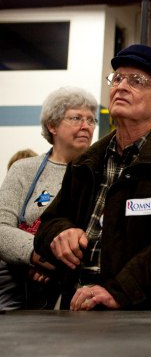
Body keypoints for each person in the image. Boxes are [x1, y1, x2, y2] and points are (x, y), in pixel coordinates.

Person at [34, 44, 151, 310]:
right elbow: (48, 222)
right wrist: (60, 232)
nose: (121, 86)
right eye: (118, 78)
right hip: (76, 306)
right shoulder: (86, 162)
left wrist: (121, 290)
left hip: (147, 311)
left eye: (136, 81)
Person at [0, 87, 98, 310]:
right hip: (18, 288)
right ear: (52, 126)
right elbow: (1, 228)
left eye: (91, 120)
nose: (86, 126)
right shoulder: (24, 169)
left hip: (77, 289)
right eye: (76, 118)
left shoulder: (97, 175)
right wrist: (37, 257)